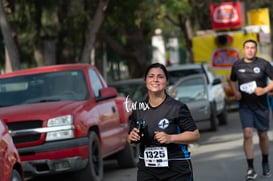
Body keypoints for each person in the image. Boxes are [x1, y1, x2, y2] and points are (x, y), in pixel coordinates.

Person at [127, 63, 200, 181]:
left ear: (166, 81)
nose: (155, 80)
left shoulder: (177, 107)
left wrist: (170, 138)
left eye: (160, 77)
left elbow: (195, 135)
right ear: (145, 80)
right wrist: (132, 137)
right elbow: (130, 139)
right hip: (147, 170)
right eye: (151, 76)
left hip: (176, 168)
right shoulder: (138, 108)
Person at [229, 39, 273, 180]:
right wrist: (235, 92)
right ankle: (250, 168)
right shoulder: (237, 65)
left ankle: (265, 161)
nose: (250, 50)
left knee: (262, 135)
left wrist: (265, 89)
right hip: (245, 106)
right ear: (243, 49)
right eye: (247, 47)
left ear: (256, 50)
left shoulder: (263, 64)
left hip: (262, 106)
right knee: (247, 134)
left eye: (253, 47)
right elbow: (231, 80)